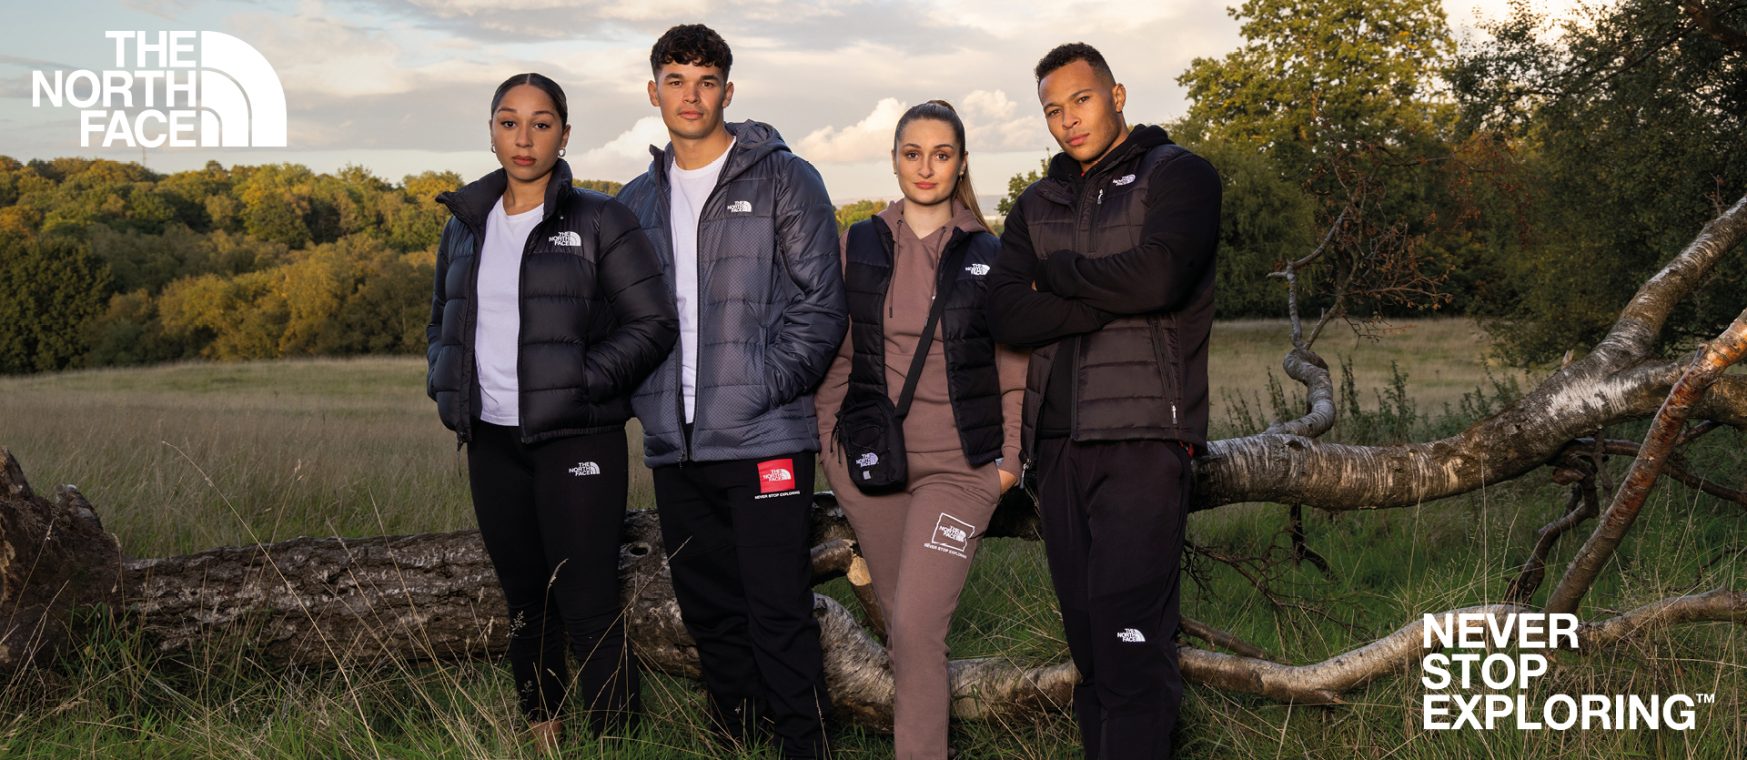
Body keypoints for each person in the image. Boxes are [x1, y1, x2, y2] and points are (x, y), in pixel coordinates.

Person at [425, 72, 677, 752]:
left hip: (577, 438)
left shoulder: (600, 219)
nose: (524, 137)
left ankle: (617, 743)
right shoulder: (465, 226)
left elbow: (652, 324)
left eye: (540, 124)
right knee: (525, 603)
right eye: (509, 122)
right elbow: (442, 322)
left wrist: (580, 382)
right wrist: (446, 384)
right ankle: (545, 737)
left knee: (588, 603)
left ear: (564, 136)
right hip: (492, 441)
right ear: (491, 132)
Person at [614, 24, 846, 760]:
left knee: (778, 608)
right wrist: (646, 399)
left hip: (765, 437)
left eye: (706, 81)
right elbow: (622, 319)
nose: (691, 96)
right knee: (709, 611)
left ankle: (804, 746)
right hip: (676, 444)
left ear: (728, 91)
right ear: (653, 92)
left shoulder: (785, 179)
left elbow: (821, 305)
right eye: (676, 81)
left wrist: (756, 390)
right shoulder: (634, 202)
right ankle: (736, 742)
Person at [985, 43, 1221, 760]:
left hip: (1145, 436)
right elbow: (1003, 312)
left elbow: (1160, 278)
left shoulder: (1178, 174)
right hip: (1057, 448)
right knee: (1089, 644)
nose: (1068, 120)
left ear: (1116, 95)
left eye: (1080, 100)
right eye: (1052, 110)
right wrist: (1102, 299)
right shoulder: (1037, 202)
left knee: (1130, 641)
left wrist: (1058, 274)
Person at [814, 100, 1025, 760]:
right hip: (874, 468)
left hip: (961, 471)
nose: (926, 167)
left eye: (941, 154)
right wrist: (835, 457)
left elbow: (1013, 366)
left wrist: (1007, 463)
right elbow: (838, 356)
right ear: (895, 160)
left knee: (914, 625)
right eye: (913, 153)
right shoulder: (858, 243)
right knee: (905, 638)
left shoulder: (991, 253)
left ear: (961, 163)